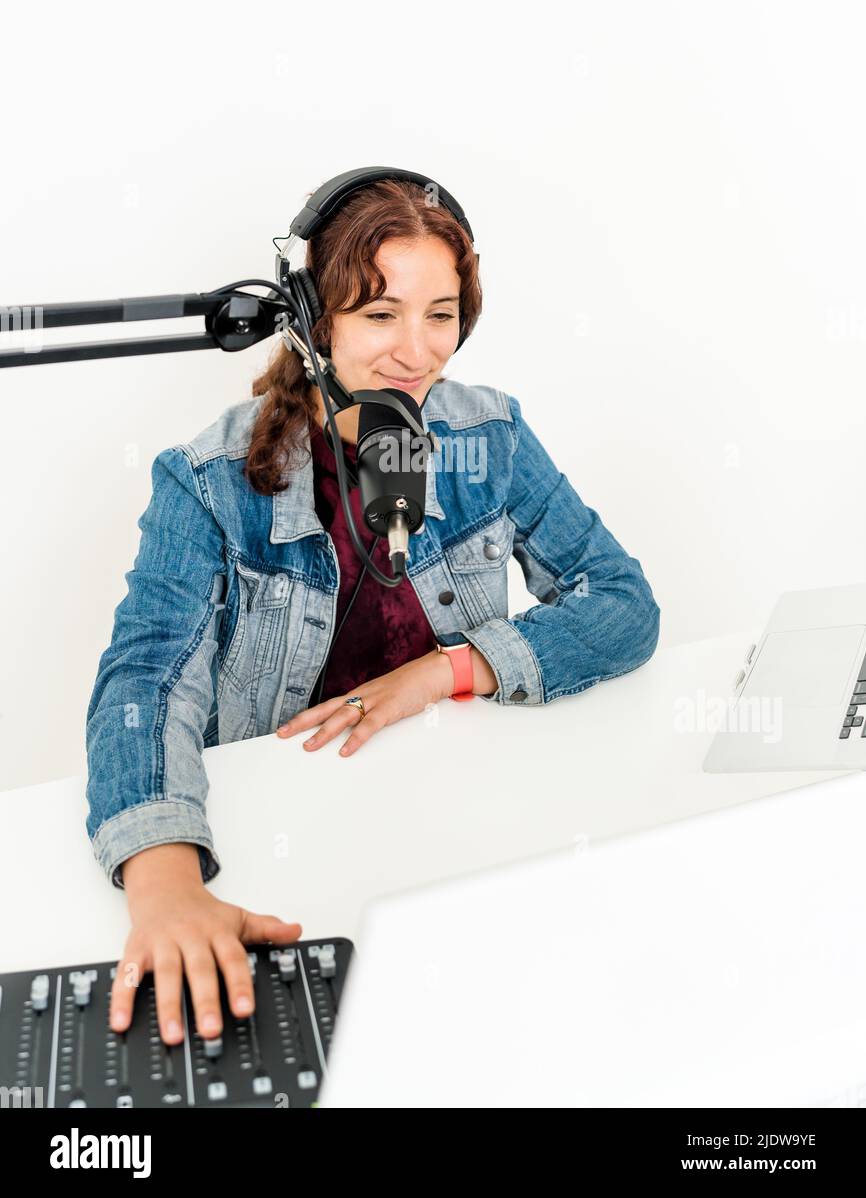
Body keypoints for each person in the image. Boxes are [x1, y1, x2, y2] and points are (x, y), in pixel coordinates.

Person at [85, 177, 661, 1049]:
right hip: (294, 838)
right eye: (380, 315)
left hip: (450, 818)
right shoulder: (205, 479)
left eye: (441, 314)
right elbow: (144, 682)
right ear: (318, 321)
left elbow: (621, 600)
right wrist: (167, 889)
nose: (417, 352)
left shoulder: (492, 436)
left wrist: (441, 672)